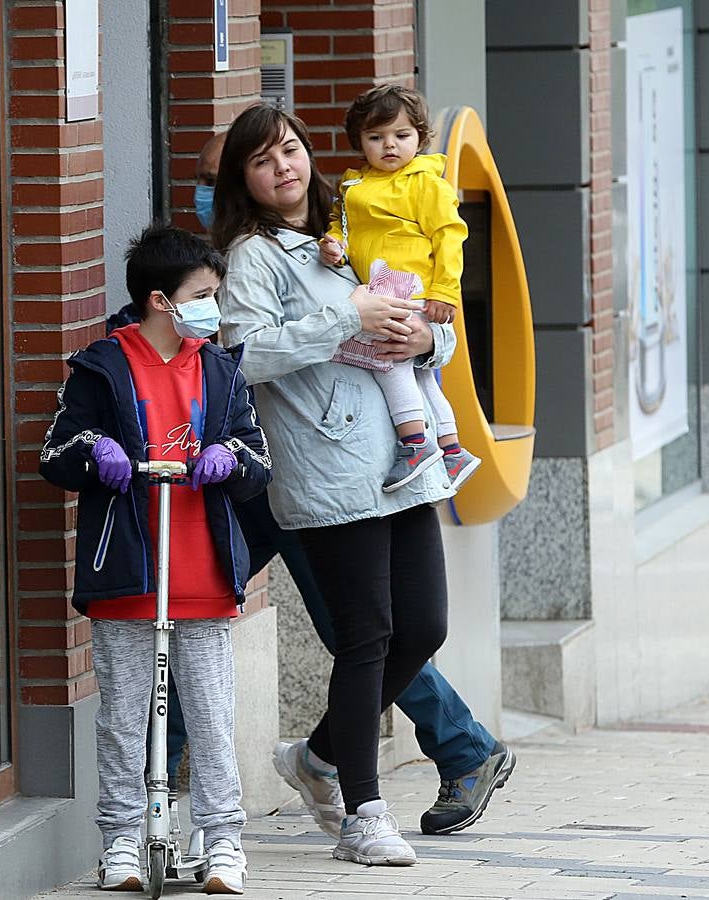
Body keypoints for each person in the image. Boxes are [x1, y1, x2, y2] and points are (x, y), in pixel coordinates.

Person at [214, 103, 454, 867]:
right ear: (244, 182)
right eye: (262, 161)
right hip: (325, 465)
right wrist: (342, 315)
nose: (282, 167)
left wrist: (429, 335)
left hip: (398, 457)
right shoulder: (252, 257)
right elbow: (241, 356)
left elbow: (418, 302)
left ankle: (316, 758)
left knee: (424, 628)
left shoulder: (349, 223)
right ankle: (363, 815)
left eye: (288, 150)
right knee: (367, 637)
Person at [40, 224, 271, 895]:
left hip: (202, 570)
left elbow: (257, 458)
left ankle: (222, 840)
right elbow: (56, 454)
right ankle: (120, 840)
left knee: (208, 713)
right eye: (202, 295)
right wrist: (96, 453)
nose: (213, 308)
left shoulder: (221, 370)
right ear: (160, 300)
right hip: (128, 571)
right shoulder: (101, 367)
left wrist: (229, 458)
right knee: (122, 716)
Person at [318, 84, 480, 493]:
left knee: (386, 360)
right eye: (376, 138)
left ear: (419, 138)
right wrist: (333, 242)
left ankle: (415, 444)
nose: (389, 146)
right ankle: (452, 447)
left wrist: (445, 291)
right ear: (359, 143)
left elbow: (449, 235)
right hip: (380, 286)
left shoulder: (425, 183)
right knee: (420, 375)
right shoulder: (353, 185)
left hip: (406, 288)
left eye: (401, 136)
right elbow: (344, 225)